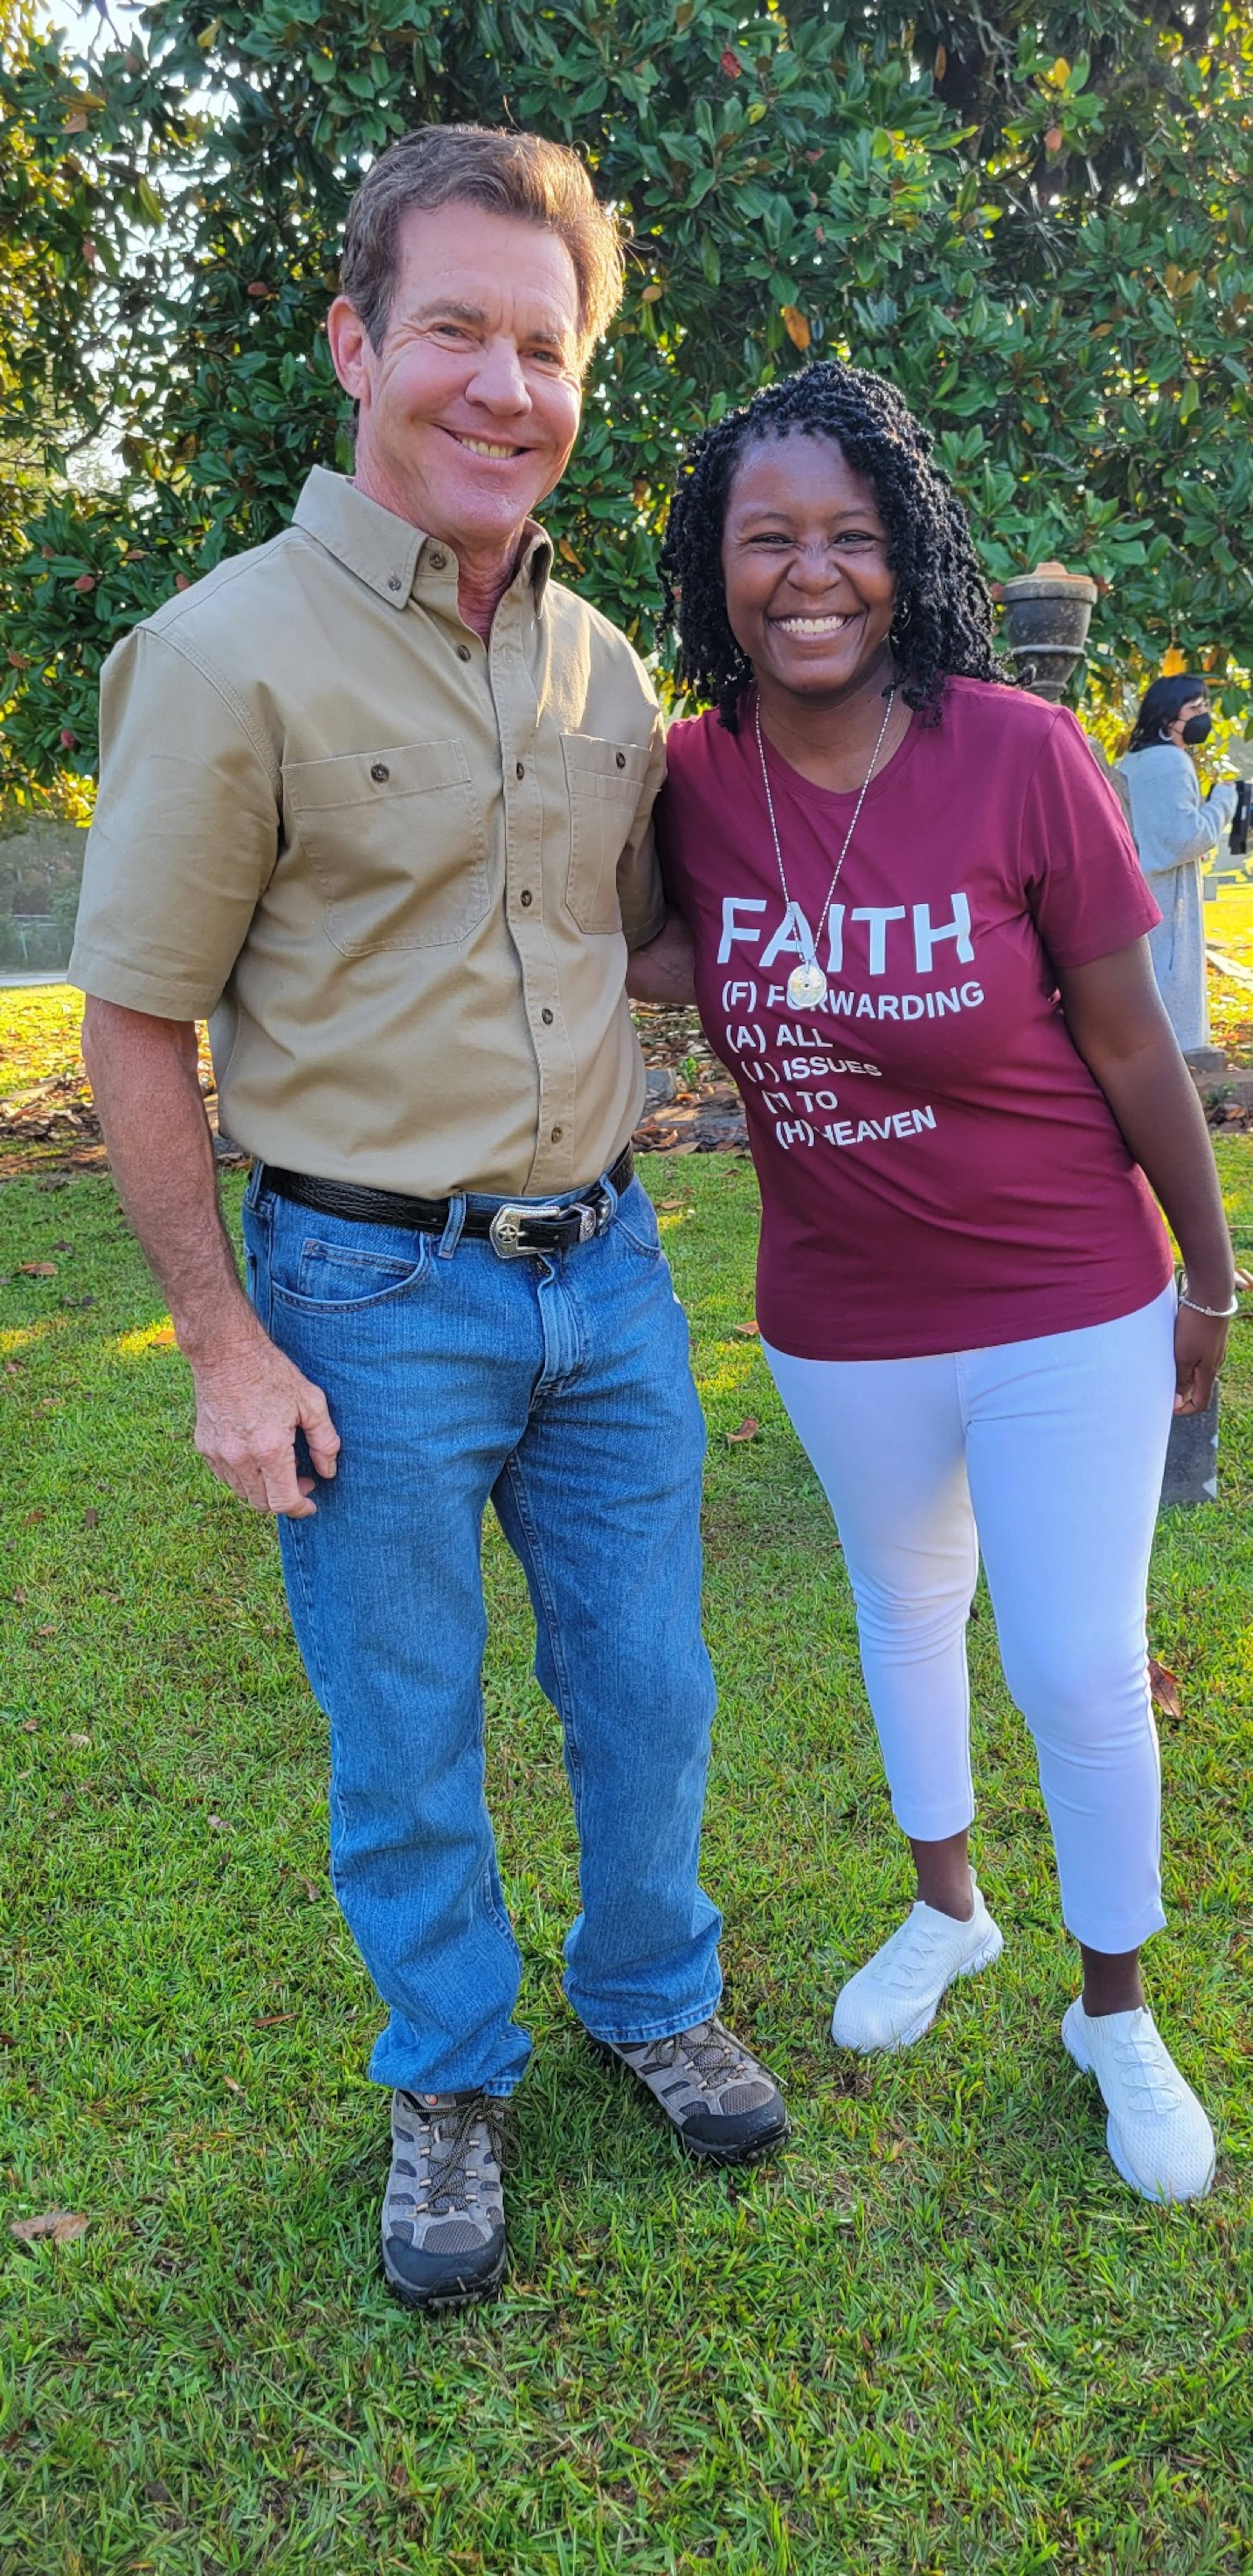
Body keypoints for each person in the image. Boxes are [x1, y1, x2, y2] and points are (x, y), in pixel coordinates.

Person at [68, 124, 787, 2316]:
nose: (504, 383)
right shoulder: (223, 655)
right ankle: (452, 2070)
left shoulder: (601, 674)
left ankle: (648, 1991)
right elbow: (135, 1020)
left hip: (611, 1276)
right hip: (364, 1293)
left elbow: (630, 939)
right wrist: (224, 1344)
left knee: (650, 1687)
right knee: (404, 1724)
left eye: (544, 346)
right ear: (355, 343)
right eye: (456, 328)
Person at [654, 362, 1235, 2204]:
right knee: (906, 1608)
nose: (811, 573)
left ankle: (1116, 2007)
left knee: (1074, 1657)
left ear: (905, 556)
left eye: (852, 534)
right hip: (839, 1314)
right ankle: (950, 1909)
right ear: (715, 566)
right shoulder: (688, 776)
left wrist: (1210, 1277)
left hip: (1070, 1293)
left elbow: (1131, 1039)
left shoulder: (1017, 753)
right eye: (769, 538)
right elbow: (626, 943)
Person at [1116, 675, 1237, 1058]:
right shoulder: (1171, 762)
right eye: (1195, 708)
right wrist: (1224, 803)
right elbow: (1185, 838)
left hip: (1138, 890)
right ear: (1169, 717)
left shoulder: (1133, 761)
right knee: (1171, 985)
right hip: (1166, 893)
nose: (1204, 716)